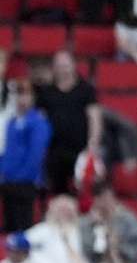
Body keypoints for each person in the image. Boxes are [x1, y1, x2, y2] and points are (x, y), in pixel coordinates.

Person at [34, 51, 101, 195]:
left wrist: (92, 145)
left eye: (65, 65)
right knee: (58, 192)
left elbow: (94, 118)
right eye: (58, 66)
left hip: (80, 150)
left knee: (83, 192)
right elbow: (39, 121)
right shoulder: (46, 92)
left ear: (73, 66)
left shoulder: (86, 89)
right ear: (53, 68)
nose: (62, 69)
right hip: (55, 151)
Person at [0, 79, 51, 232]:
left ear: (33, 98)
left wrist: (20, 177)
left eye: (26, 95)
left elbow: (35, 155)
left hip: (26, 183)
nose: (22, 99)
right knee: (10, 226)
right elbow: (7, 151)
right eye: (19, 95)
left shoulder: (38, 122)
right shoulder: (11, 122)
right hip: (8, 182)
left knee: (25, 227)